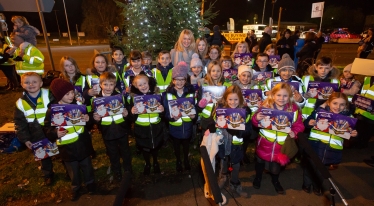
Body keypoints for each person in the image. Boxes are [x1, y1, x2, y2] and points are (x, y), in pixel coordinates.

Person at [44, 78, 96, 201]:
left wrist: (88, 119)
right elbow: (47, 128)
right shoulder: (52, 111)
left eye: (72, 92)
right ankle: (76, 188)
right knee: (73, 170)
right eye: (67, 94)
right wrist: (55, 133)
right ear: (59, 95)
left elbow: (88, 121)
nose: (71, 95)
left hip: (82, 143)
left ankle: (91, 184)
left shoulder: (77, 105)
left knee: (87, 166)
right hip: (67, 147)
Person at [252, 83, 304, 194]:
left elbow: (299, 125)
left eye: (285, 96)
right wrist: (257, 118)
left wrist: (295, 132)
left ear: (289, 96)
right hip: (265, 142)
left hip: (281, 146)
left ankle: (275, 181)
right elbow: (255, 123)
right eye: (278, 95)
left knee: (275, 168)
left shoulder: (293, 109)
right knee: (260, 162)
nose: (281, 98)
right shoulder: (266, 106)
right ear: (273, 95)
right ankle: (258, 177)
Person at [302, 92, 357, 195]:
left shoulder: (349, 118)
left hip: (331, 150)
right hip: (315, 146)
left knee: (323, 171)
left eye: (342, 104)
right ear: (329, 102)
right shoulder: (319, 112)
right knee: (310, 168)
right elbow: (306, 123)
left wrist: (354, 135)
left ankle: (317, 185)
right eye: (335, 103)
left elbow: (350, 135)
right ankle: (306, 184)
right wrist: (309, 123)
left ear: (346, 105)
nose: (338, 107)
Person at [14, 72, 54, 185]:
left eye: (34, 82)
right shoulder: (20, 103)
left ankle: (69, 171)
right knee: (43, 156)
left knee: (62, 151)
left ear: (41, 83)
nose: (31, 84)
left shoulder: (48, 94)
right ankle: (48, 174)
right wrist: (25, 139)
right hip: (35, 133)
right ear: (22, 84)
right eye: (27, 82)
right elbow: (19, 122)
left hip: (52, 129)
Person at [92, 72, 132, 181]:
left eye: (111, 84)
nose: (108, 87)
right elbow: (94, 116)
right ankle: (117, 172)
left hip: (121, 129)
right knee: (113, 153)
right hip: (107, 131)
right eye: (105, 84)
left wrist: (126, 114)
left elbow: (127, 110)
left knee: (125, 151)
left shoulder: (120, 97)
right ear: (100, 85)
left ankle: (128, 170)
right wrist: (96, 119)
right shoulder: (96, 100)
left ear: (115, 85)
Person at [216, 85, 251, 197]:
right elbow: (213, 124)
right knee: (223, 163)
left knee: (236, 166)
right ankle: (222, 179)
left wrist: (237, 131)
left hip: (237, 145)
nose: (233, 102)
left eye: (236, 99)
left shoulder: (245, 111)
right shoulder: (220, 110)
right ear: (226, 99)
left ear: (240, 99)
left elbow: (248, 131)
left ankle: (235, 184)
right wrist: (212, 128)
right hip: (223, 143)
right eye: (230, 99)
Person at [164, 61, 196, 172]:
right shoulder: (167, 94)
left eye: (182, 79)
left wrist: (194, 116)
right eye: (177, 79)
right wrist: (171, 118)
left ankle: (186, 159)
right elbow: (166, 112)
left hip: (187, 124)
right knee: (176, 145)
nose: (179, 82)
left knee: (186, 144)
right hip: (175, 125)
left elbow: (194, 107)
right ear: (173, 80)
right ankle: (178, 160)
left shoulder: (190, 92)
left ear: (185, 80)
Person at [129, 74, 164, 175]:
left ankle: (156, 162)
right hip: (141, 128)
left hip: (155, 126)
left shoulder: (156, 95)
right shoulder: (134, 98)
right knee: (145, 147)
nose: (143, 86)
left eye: (145, 83)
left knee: (155, 146)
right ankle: (147, 163)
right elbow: (130, 117)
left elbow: (163, 113)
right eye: (140, 85)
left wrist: (162, 110)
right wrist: (132, 111)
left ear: (149, 83)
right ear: (136, 86)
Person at [233, 65, 257, 164]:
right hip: (238, 115)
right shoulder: (234, 87)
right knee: (238, 136)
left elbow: (258, 99)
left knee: (247, 136)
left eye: (248, 76)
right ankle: (237, 154)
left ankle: (244, 153)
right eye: (243, 75)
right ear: (239, 76)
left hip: (250, 115)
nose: (245, 78)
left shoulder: (255, 87)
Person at [197, 60, 230, 131]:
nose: (216, 73)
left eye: (218, 71)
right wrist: (201, 105)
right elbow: (198, 107)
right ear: (209, 72)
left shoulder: (227, 86)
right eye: (213, 71)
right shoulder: (204, 87)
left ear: (221, 72)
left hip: (222, 118)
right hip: (206, 120)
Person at [353, 74, 374, 149]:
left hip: (371, 115)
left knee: (368, 130)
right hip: (361, 110)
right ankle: (358, 144)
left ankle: (363, 144)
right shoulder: (367, 78)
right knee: (360, 129)